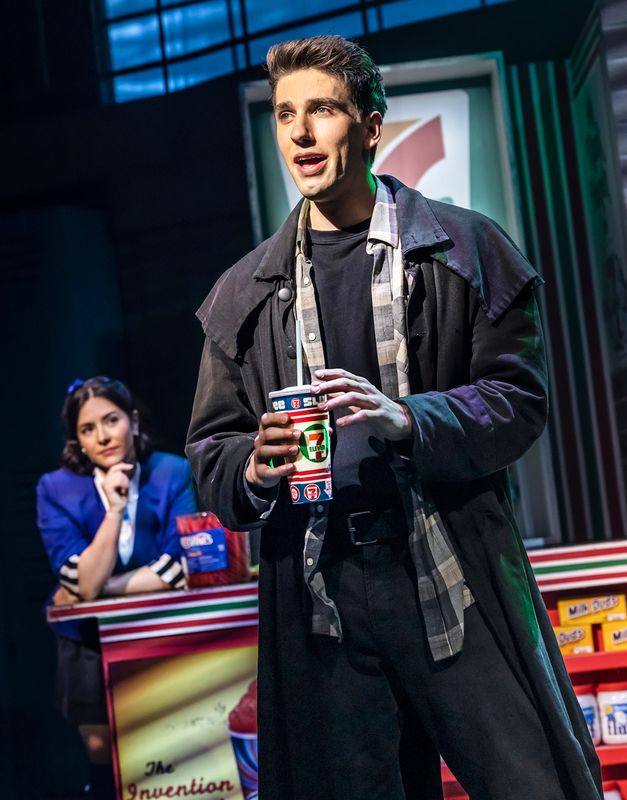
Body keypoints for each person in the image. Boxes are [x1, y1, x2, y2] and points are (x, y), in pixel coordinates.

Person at [186, 35, 602, 800]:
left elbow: (519, 400)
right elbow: (209, 454)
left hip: (449, 570)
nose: (300, 133)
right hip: (322, 595)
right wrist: (252, 463)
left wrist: (409, 418)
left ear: (370, 126)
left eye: (321, 110)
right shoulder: (242, 295)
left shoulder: (462, 247)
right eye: (285, 115)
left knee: (530, 782)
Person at [37, 376, 196, 799]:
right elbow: (81, 578)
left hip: (159, 633)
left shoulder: (171, 471)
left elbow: (177, 568)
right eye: (88, 429)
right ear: (78, 440)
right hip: (89, 642)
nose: (103, 436)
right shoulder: (55, 489)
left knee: (167, 752)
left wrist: (94, 589)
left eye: (112, 420)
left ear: (133, 420)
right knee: (103, 757)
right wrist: (117, 508)